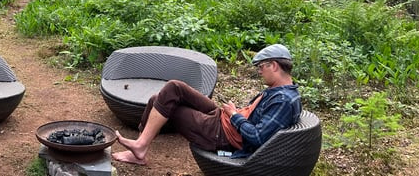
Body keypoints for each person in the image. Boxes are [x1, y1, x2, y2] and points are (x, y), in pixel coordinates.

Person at [112, 44, 302, 166]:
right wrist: (233, 113)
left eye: (261, 67)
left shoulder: (283, 100)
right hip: (222, 120)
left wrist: (234, 114)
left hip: (222, 135)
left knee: (158, 100)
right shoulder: (280, 92)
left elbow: (257, 137)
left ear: (274, 66)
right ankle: (140, 147)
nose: (260, 72)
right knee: (173, 88)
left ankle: (140, 148)